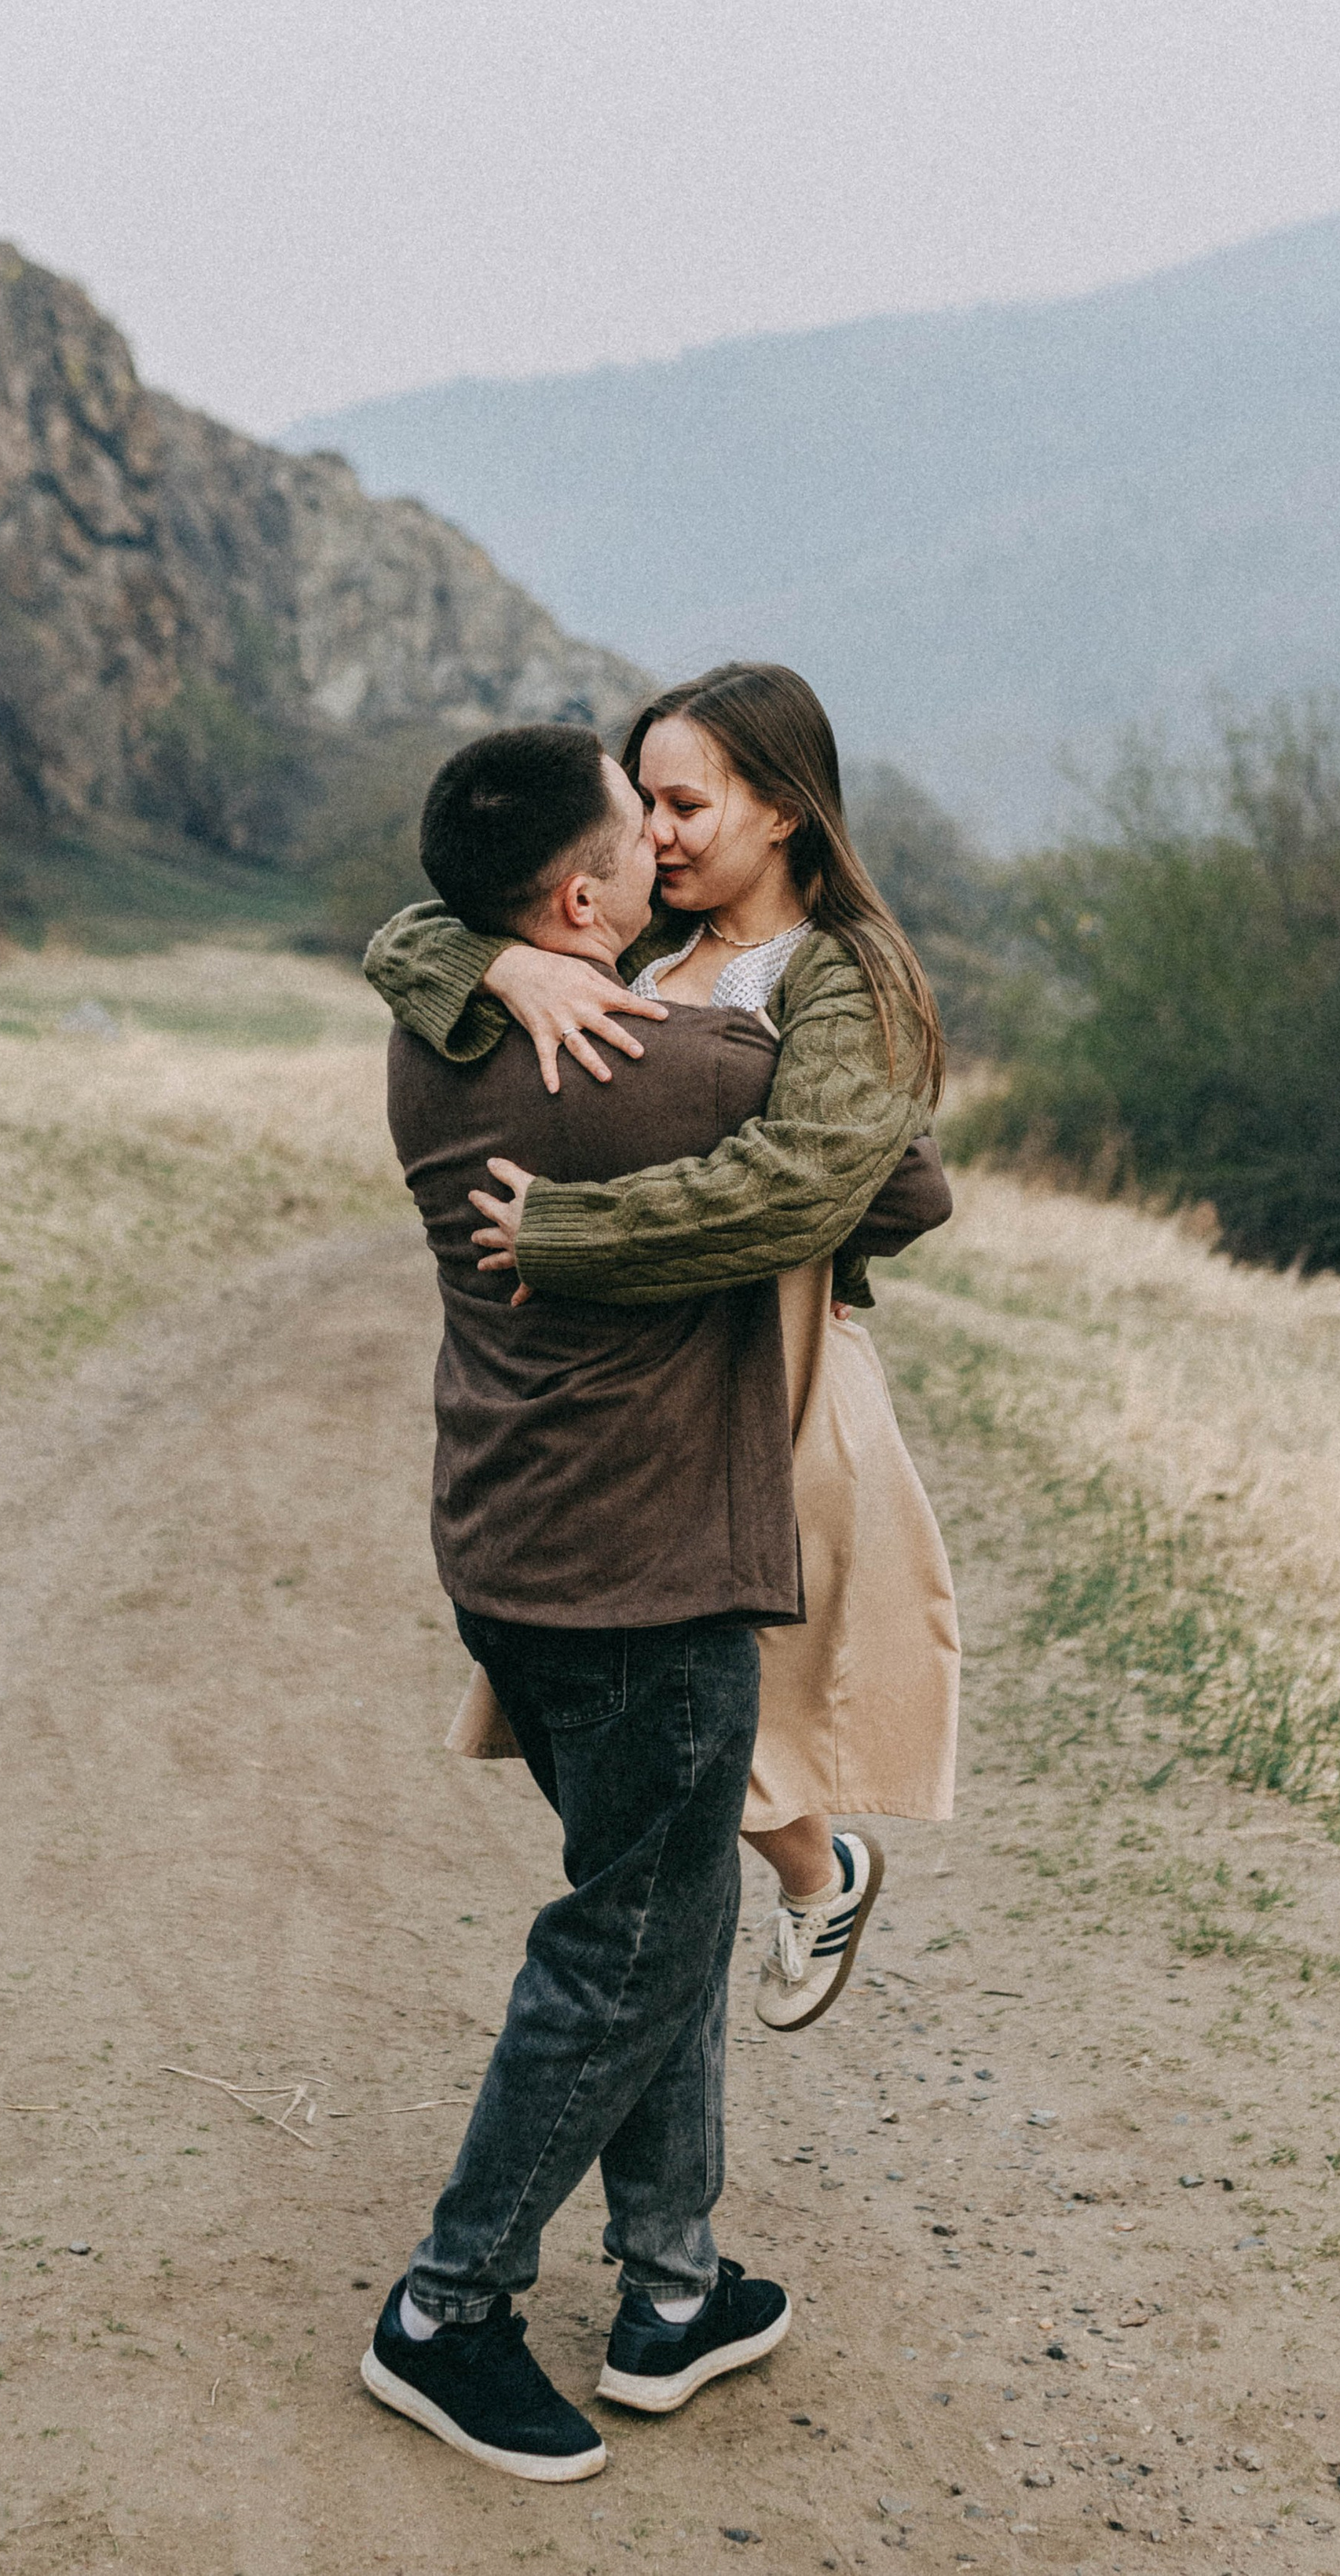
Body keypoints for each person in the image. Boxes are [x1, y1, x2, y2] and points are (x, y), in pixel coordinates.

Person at [366, 661, 959, 2041]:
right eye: (646, 806)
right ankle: (728, 1959)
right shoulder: (632, 948)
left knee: (715, 1693)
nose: (659, 833)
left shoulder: (841, 973)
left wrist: (571, 1233)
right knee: (657, 1727)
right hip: (643, 1379)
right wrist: (496, 958)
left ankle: (811, 1878)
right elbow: (418, 929)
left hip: (780, 1365)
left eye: (688, 806)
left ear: (785, 811)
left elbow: (824, 1183)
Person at [364, 721, 798, 2485]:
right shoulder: (685, 1066)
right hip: (645, 1580)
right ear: (579, 901)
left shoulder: (431, 1035)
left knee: (662, 1904)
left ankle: (671, 2284)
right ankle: (444, 2307)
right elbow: (902, 1180)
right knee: (625, 1946)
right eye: (639, 830)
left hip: (507, 1555)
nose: (662, 846)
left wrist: (478, 958)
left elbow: (418, 941)